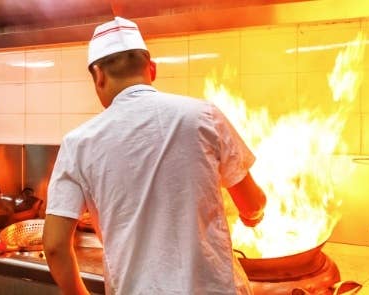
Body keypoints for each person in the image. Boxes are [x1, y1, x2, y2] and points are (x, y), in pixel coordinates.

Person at [43, 17, 268, 295]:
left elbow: (54, 246)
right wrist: (252, 216)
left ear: (99, 76)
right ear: (152, 69)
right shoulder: (204, 116)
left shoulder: (78, 144)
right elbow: (252, 202)